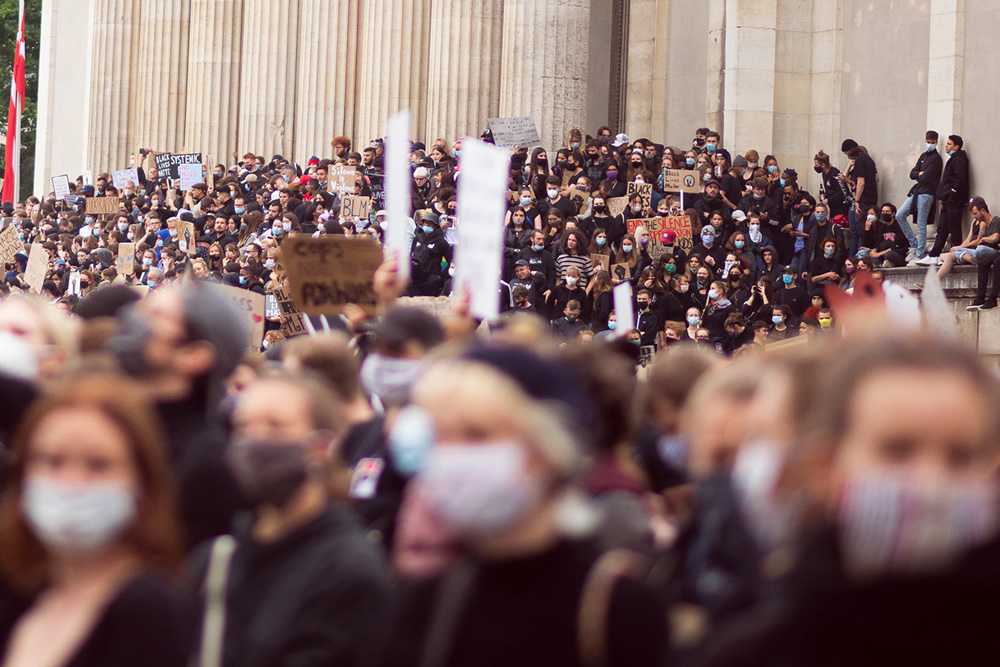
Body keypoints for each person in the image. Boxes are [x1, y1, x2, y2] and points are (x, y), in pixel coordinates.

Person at [703, 336, 1000, 665]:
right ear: (826, 468)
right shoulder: (754, 655)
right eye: (898, 450)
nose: (930, 478)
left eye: (960, 457)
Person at [379, 346, 667, 666]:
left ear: (545, 447)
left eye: (476, 434)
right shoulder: (425, 604)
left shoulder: (620, 613)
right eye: (441, 437)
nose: (452, 457)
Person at [189, 373, 390, 667]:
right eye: (244, 426)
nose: (255, 440)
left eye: (275, 426)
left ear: (322, 447)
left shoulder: (350, 568)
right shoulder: (217, 560)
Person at [0, 374, 186, 667]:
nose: (72, 483)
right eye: (52, 461)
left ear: (141, 482)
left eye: (98, 465)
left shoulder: (142, 608)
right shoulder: (26, 596)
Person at [106, 282, 249, 549]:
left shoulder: (210, 466)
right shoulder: (99, 421)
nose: (133, 319)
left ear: (194, 355)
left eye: (155, 315)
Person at [896, 131, 943, 263]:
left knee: (921, 224)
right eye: (928, 142)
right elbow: (912, 173)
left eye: (932, 142)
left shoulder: (936, 159)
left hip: (927, 193)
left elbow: (927, 178)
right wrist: (919, 174)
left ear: (936, 142)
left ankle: (920, 253)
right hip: (917, 192)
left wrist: (920, 174)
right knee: (900, 215)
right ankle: (914, 244)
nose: (930, 144)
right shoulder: (923, 156)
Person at [927, 135, 971, 260]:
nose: (946, 146)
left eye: (949, 144)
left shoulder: (959, 160)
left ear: (956, 147)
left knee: (954, 228)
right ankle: (934, 255)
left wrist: (952, 194)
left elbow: (959, 180)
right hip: (948, 201)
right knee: (942, 229)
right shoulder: (953, 159)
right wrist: (943, 201)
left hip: (954, 201)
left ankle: (958, 256)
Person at [841, 139, 878, 258]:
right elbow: (875, 177)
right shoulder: (869, 160)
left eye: (846, 152)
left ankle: (860, 259)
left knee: (861, 231)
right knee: (865, 230)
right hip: (871, 199)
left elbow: (861, 182)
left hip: (864, 200)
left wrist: (857, 200)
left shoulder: (860, 160)